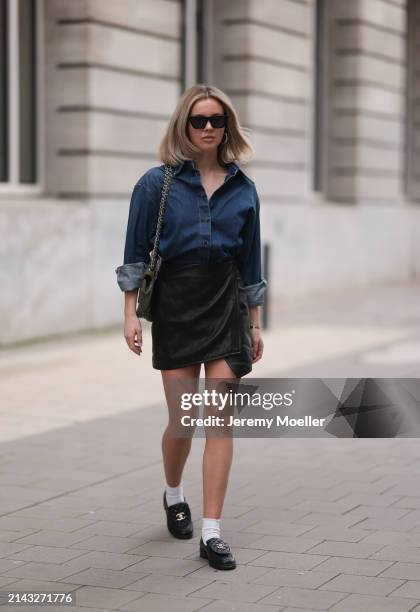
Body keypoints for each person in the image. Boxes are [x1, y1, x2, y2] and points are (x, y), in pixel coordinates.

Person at [116, 84, 267, 570]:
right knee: (184, 420)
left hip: (225, 305)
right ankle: (173, 493)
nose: (207, 128)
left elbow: (250, 260)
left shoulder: (244, 188)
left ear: (228, 127)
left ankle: (213, 531)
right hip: (177, 305)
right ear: (183, 126)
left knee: (219, 420)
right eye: (198, 120)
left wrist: (256, 322)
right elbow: (135, 254)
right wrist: (130, 313)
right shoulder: (154, 184)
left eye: (216, 120)